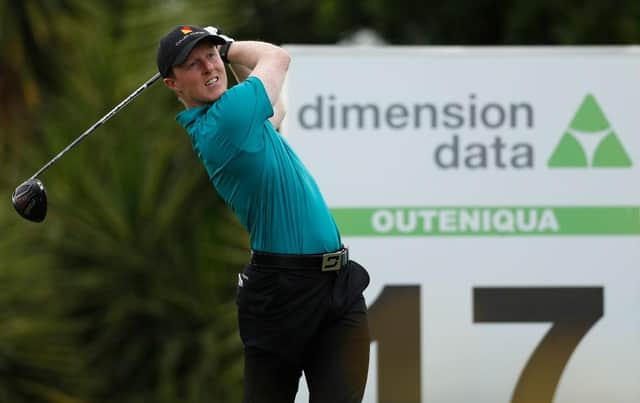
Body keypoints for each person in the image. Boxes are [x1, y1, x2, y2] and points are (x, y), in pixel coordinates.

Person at [156, 25, 371, 403]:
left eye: (211, 56)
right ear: (173, 84)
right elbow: (276, 57)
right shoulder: (226, 122)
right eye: (193, 64)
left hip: (338, 285)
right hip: (282, 292)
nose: (209, 67)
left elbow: (278, 109)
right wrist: (227, 43)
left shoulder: (239, 121)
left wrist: (221, 50)